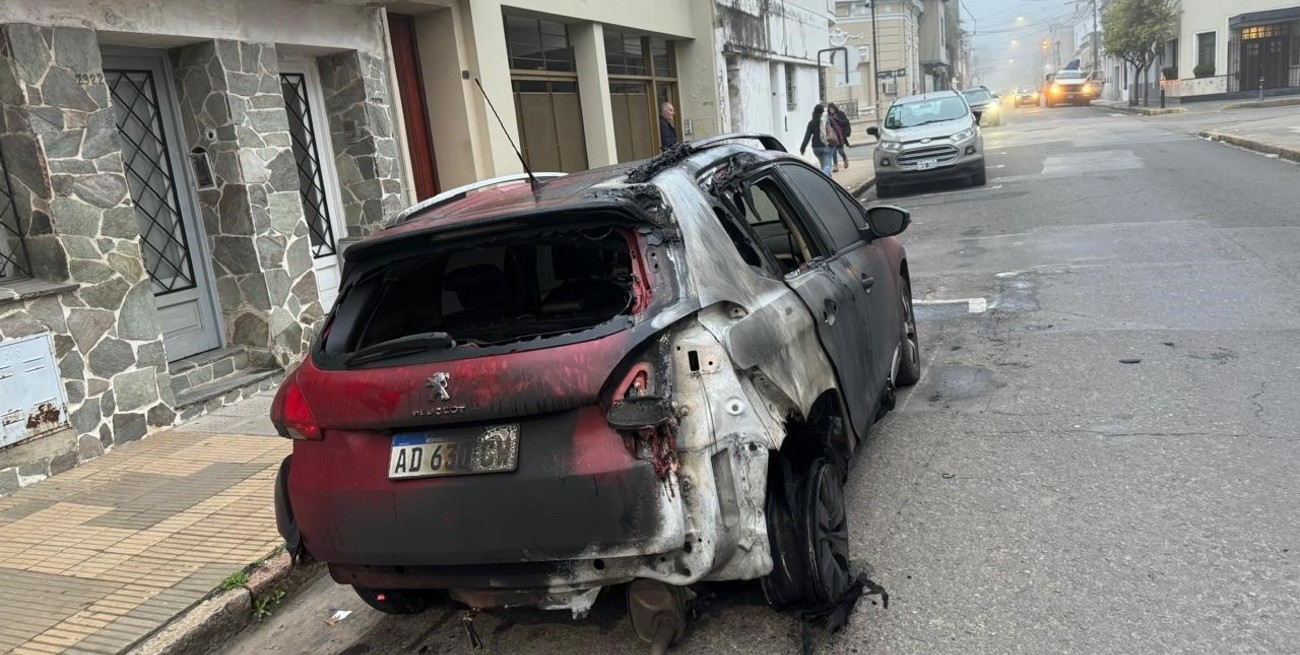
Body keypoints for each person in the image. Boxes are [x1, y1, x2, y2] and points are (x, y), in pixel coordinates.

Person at [799, 104, 836, 176]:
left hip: (816, 148)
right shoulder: (827, 120)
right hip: (827, 146)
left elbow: (807, 137)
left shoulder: (811, 123)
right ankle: (822, 177)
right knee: (828, 166)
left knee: (824, 165)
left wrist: (802, 148)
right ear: (822, 112)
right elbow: (836, 128)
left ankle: (828, 183)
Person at [828, 103, 851, 171]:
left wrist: (837, 119)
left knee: (840, 151)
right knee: (834, 151)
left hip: (841, 135)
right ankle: (835, 166)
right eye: (830, 109)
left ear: (835, 108)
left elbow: (845, 122)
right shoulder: (829, 116)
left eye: (832, 109)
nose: (831, 110)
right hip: (834, 136)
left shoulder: (840, 113)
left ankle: (845, 159)